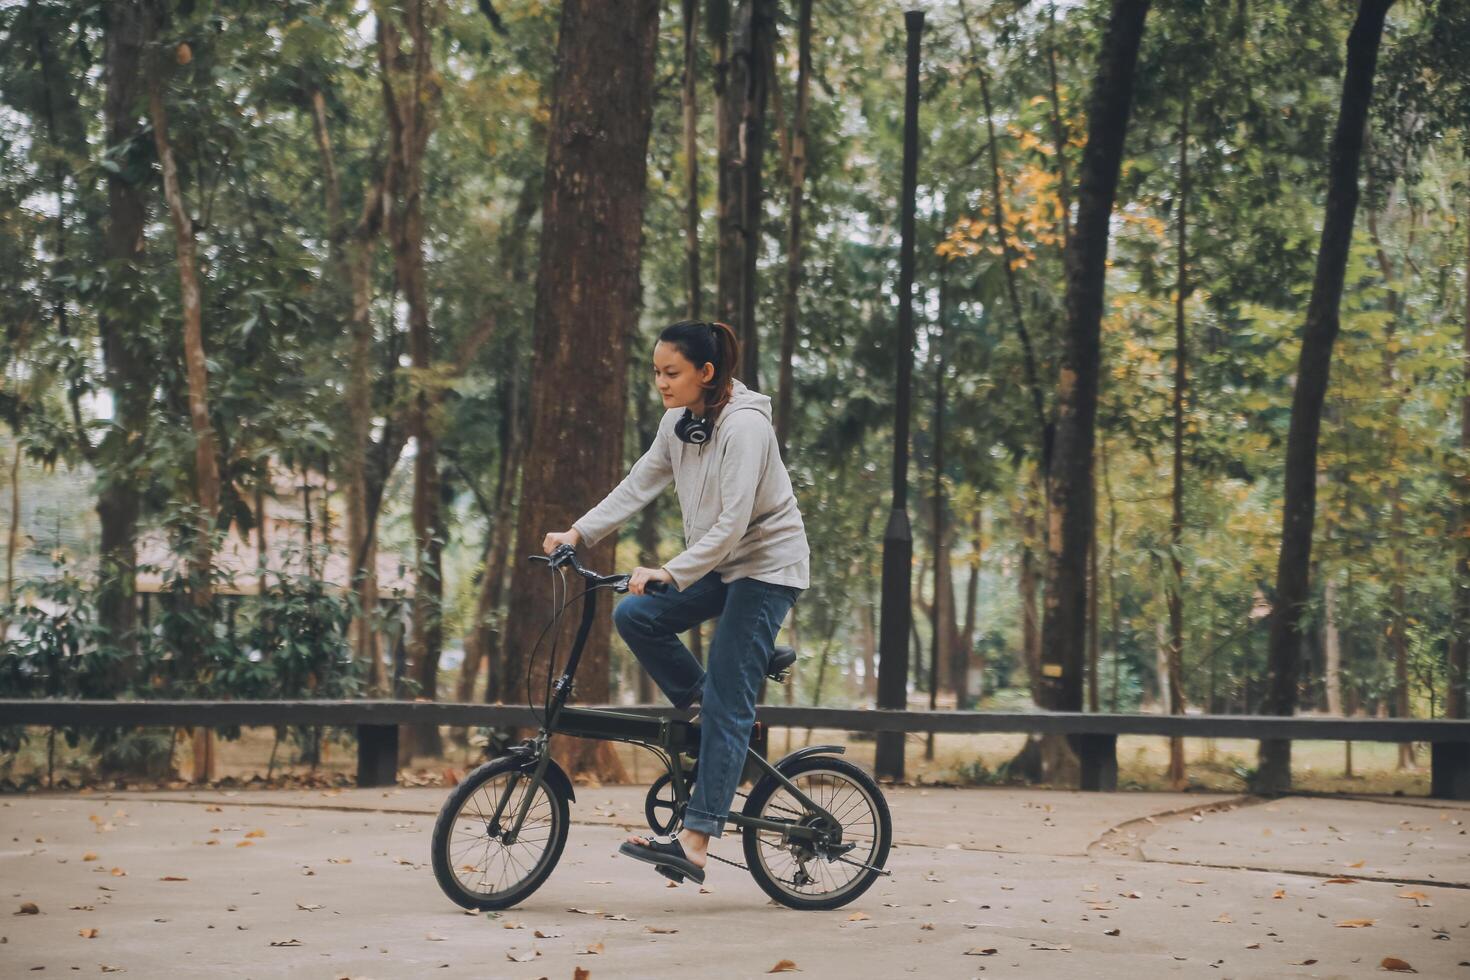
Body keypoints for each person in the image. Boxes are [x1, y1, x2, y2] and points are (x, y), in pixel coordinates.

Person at [541, 319, 809, 885]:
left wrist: (669, 570)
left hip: (765, 568)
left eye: (672, 373)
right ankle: (715, 711)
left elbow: (734, 524)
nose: (660, 383)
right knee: (637, 615)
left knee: (726, 703)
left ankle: (696, 839)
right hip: (721, 563)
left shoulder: (745, 429)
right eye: (656, 372)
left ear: (705, 373)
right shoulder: (678, 424)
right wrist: (577, 533)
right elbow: (639, 483)